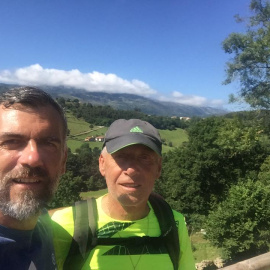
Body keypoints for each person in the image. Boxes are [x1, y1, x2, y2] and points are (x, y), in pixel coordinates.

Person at [51, 119, 196, 270]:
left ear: (158, 168)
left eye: (144, 158)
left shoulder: (173, 224)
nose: (132, 170)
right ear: (102, 164)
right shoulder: (64, 225)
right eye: (122, 156)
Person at [0, 86, 68, 270]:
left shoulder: (43, 225)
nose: (33, 159)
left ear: (64, 160)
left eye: (49, 143)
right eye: (11, 142)